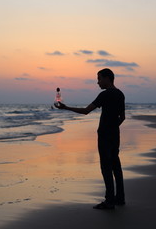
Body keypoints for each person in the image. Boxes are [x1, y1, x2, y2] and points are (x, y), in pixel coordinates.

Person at [55, 68, 125, 210]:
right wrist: (113, 126)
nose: (97, 82)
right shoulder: (120, 94)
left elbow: (86, 111)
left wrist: (66, 107)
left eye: (99, 78)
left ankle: (109, 201)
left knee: (106, 167)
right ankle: (120, 198)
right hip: (115, 134)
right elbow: (122, 117)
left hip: (105, 135)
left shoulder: (104, 95)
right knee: (116, 166)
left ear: (107, 78)